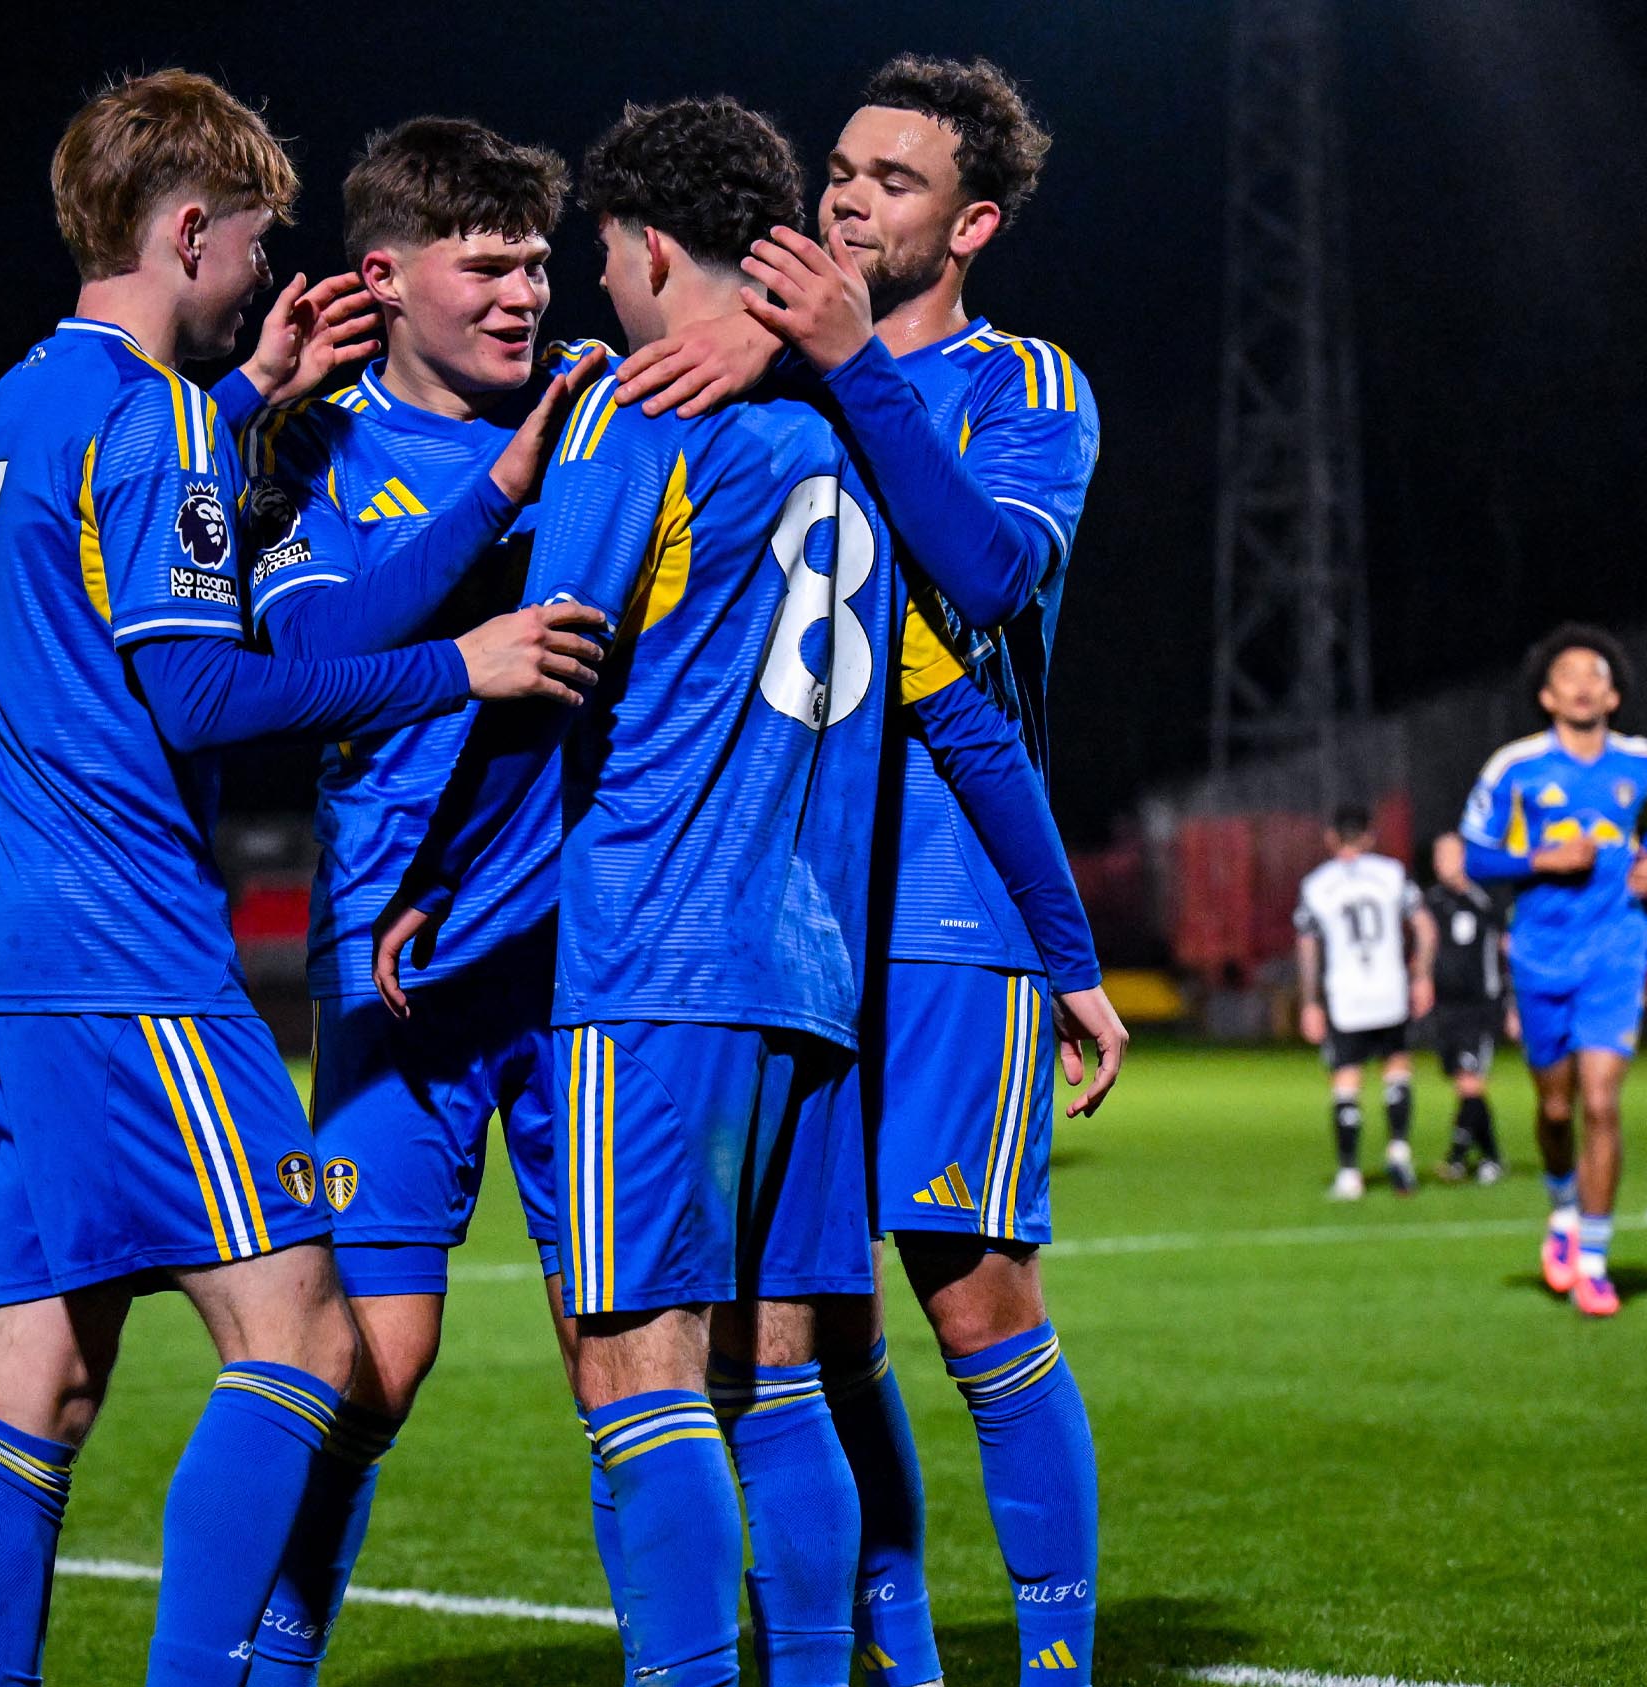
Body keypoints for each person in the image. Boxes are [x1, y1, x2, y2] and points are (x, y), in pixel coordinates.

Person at [0, 69, 604, 1687]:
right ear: (185, 232)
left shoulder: (15, 404)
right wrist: (468, 666)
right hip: (124, 943)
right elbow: (199, 692)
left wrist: (243, 408)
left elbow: (101, 574)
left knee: (39, 1379)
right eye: (250, 245)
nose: (264, 279)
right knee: (305, 1345)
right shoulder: (156, 415)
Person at [611, 54, 1125, 1686]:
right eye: (840, 168)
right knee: (812, 1326)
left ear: (971, 222)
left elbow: (979, 575)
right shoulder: (757, 384)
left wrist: (844, 363)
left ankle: (1051, 1664)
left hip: (957, 909)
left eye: (891, 181)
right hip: (789, 908)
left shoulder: (1025, 382)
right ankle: (890, 1660)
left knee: (972, 1302)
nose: (845, 198)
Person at [224, 116, 616, 1683]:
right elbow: (320, 668)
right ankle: (264, 1661)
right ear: (384, 277)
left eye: (537, 259)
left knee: (634, 1356)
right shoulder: (313, 456)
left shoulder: (606, 423)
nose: (525, 291)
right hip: (394, 956)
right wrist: (499, 490)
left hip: (590, 952)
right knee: (370, 1358)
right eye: (488, 262)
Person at [1458, 624, 1647, 1318]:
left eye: (1596, 673)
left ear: (1613, 692)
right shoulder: (1513, 767)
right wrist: (1539, 862)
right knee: (1555, 1108)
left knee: (1602, 1100)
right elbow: (1475, 856)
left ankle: (1597, 1261)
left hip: (1619, 945)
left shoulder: (1643, 763)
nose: (1584, 683)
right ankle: (1562, 1209)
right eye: (1570, 674)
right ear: (1548, 695)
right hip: (1541, 952)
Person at [1294, 807, 1436, 1199]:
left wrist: (1309, 1002)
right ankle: (1399, 1152)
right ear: (1369, 838)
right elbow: (1425, 927)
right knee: (1397, 1070)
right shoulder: (1392, 873)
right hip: (1391, 990)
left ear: (1331, 838)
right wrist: (1422, 974)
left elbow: (1308, 947)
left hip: (1346, 996)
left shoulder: (1316, 884)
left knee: (1346, 1081)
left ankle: (1349, 1175)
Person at [1422, 833, 1514, 1184]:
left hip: (1481, 1007)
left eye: (1450, 855)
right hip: (1445, 1009)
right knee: (1463, 1082)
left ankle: (1465, 1157)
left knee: (1470, 1082)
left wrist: (1513, 1006)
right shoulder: (1429, 903)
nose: (1443, 863)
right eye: (1439, 856)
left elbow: (1507, 952)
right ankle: (1483, 1158)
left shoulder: (1486, 900)